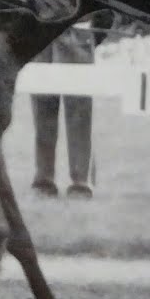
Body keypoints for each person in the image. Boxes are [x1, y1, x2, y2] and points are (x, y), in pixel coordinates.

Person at [30, 16, 97, 199]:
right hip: (42, 37)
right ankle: (43, 181)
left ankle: (81, 183)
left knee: (79, 114)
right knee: (42, 113)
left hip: (77, 35)